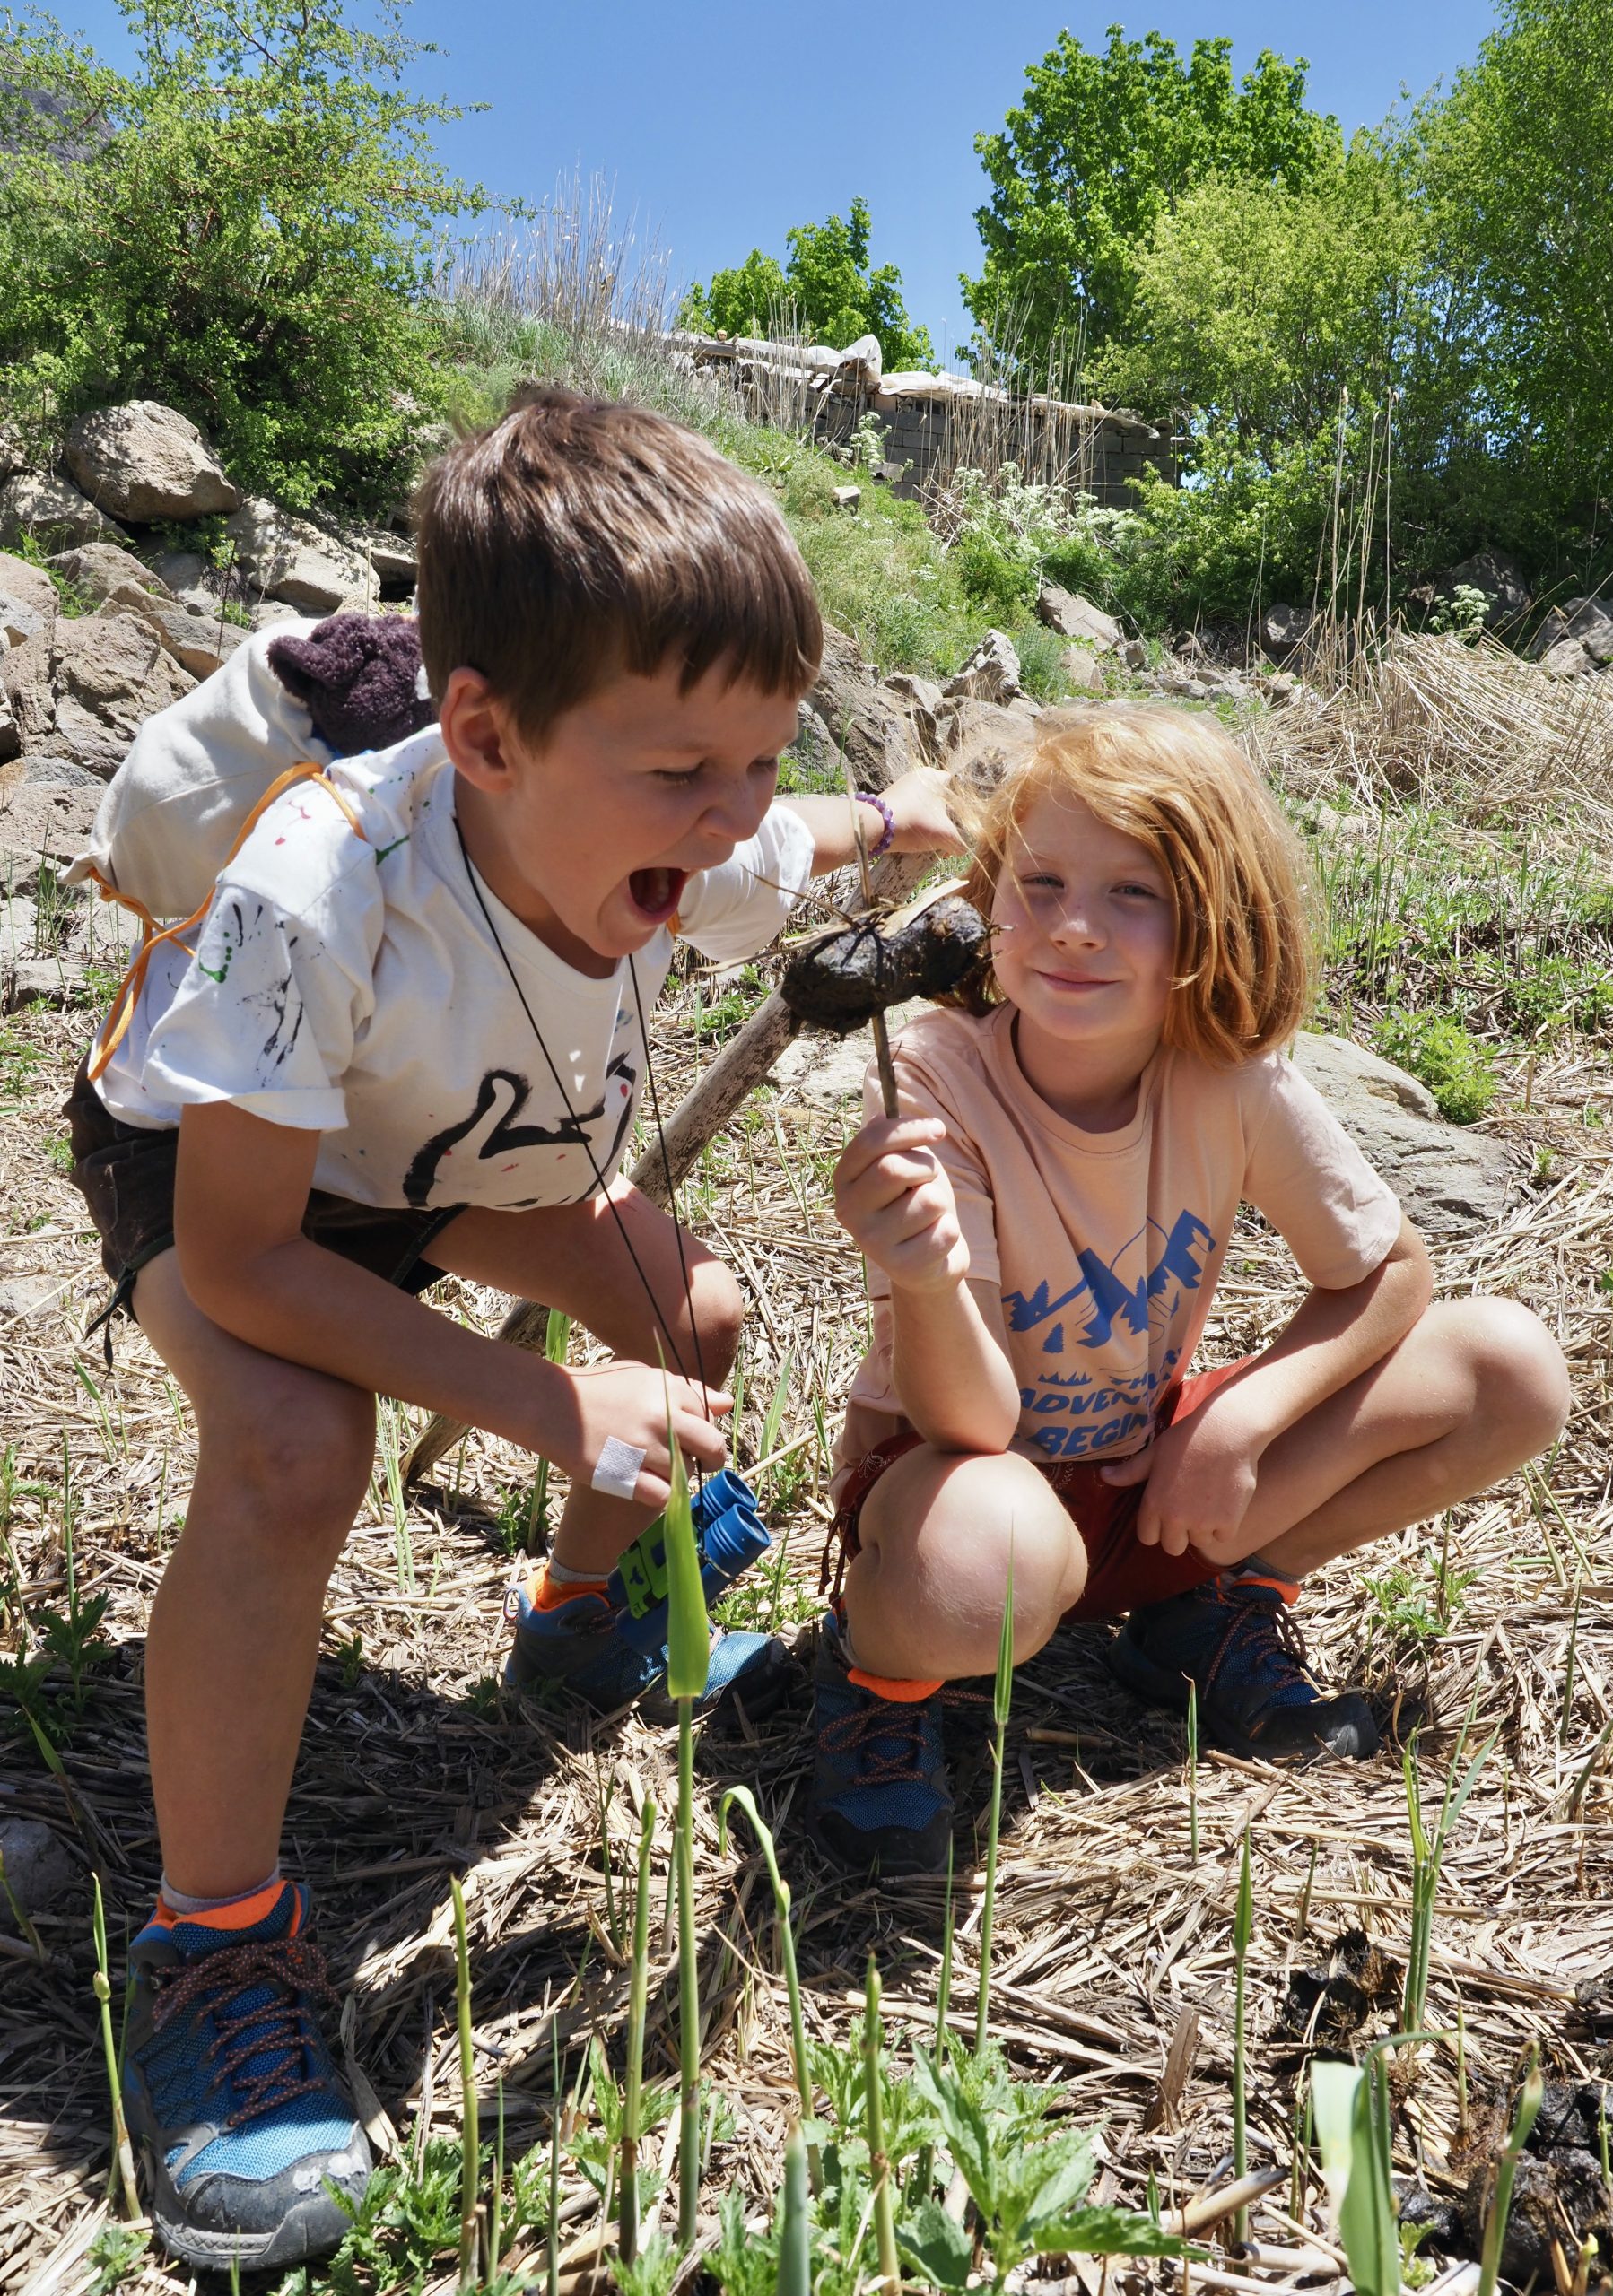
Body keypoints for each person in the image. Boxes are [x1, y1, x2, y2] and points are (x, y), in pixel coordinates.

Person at [61, 391, 957, 2268]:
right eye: (683, 772)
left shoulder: (674, 822)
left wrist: (898, 817)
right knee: (303, 1444)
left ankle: (572, 1627)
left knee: (683, 1300)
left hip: (420, 1156)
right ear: (480, 730)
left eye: (757, 758)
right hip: (222, 1172)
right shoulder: (322, 888)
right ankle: (210, 1944)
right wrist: (547, 1401)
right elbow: (246, 1259)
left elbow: (789, 839)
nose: (724, 819)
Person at [812, 705, 1569, 1877]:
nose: (1072, 929)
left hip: (1154, 1478)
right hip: (963, 1482)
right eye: (1042, 881)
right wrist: (919, 1274)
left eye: (1134, 894)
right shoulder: (936, 1082)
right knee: (980, 1575)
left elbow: (1388, 1272)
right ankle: (880, 1683)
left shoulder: (1230, 1079)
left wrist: (1239, 1419)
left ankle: (1201, 1614)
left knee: (1508, 1369)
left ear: (1212, 923)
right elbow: (973, 1421)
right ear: (986, 903)